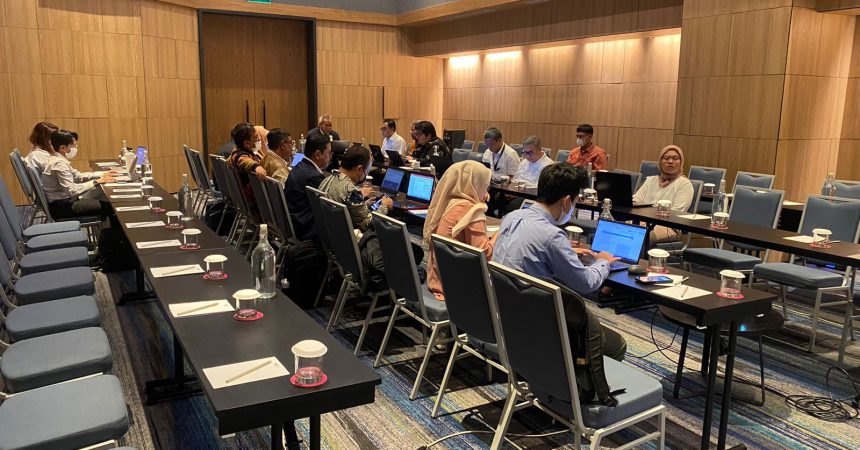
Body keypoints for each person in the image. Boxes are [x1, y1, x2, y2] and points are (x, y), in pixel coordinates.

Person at [492, 163, 626, 361]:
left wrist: (567, 252)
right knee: (617, 345)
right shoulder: (552, 236)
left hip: (504, 310)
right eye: (575, 201)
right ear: (566, 201)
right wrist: (603, 261)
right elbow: (587, 283)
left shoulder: (511, 216)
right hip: (536, 322)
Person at [425, 161, 497, 301]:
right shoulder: (470, 211)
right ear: (475, 184)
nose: (487, 190)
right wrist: (498, 235)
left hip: (437, 280)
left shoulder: (448, 202)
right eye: (485, 185)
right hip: (457, 290)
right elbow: (485, 255)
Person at [41, 129, 116, 220]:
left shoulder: (58, 160)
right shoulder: (59, 164)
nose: (75, 148)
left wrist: (102, 174)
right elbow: (71, 190)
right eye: (73, 146)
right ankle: (113, 229)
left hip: (66, 201)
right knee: (111, 206)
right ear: (63, 148)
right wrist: (96, 182)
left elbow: (78, 176)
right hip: (63, 207)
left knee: (103, 198)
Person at [319, 145, 393, 231]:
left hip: (328, 233)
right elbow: (368, 225)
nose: (366, 174)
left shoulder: (327, 180)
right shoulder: (351, 190)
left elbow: (346, 205)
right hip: (348, 237)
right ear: (359, 169)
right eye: (367, 171)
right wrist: (384, 206)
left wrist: (363, 204)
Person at [633, 144, 694, 243]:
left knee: (642, 236)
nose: (670, 161)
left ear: (681, 162)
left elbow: (677, 212)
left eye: (675, 158)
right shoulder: (651, 180)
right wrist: (644, 220)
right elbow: (636, 201)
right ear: (660, 162)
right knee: (616, 227)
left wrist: (648, 220)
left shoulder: (684, 184)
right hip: (643, 220)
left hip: (669, 227)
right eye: (666, 158)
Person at [284, 133, 332, 241]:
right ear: (318, 154)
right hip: (306, 229)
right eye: (329, 153)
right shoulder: (313, 176)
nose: (330, 157)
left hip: (295, 221)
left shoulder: (300, 166)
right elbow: (331, 204)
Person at [227, 123, 267, 214]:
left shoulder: (240, 150)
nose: (259, 139)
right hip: (254, 202)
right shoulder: (239, 155)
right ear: (246, 143)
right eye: (256, 137)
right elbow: (245, 161)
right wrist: (256, 167)